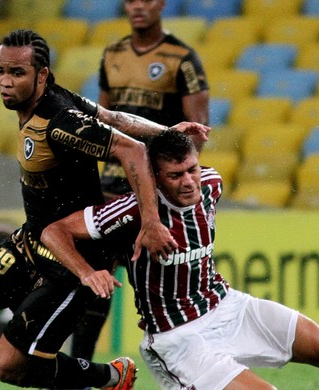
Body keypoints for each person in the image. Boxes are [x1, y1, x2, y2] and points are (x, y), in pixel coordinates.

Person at [0, 29, 209, 389]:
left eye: (17, 74)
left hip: (72, 257)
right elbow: (113, 117)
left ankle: (109, 377)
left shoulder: (60, 121)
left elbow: (130, 150)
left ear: (41, 75)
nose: (5, 82)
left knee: (7, 367)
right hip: (32, 240)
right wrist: (163, 133)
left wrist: (149, 221)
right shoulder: (48, 100)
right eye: (0, 71)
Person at [41, 130, 319, 390]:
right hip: (179, 339)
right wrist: (87, 272)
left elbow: (175, 155)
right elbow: (53, 231)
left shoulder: (211, 183)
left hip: (229, 307)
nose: (189, 181)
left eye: (191, 169)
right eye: (175, 176)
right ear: (153, 178)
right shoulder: (134, 211)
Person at [70, 0, 210, 362]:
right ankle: (80, 373)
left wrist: (168, 186)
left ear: (161, 4)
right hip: (110, 188)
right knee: (94, 283)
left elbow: (196, 136)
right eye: (130, 0)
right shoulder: (112, 54)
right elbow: (100, 127)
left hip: (154, 193)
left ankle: (196, 366)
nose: (137, 6)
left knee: (164, 288)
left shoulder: (183, 59)